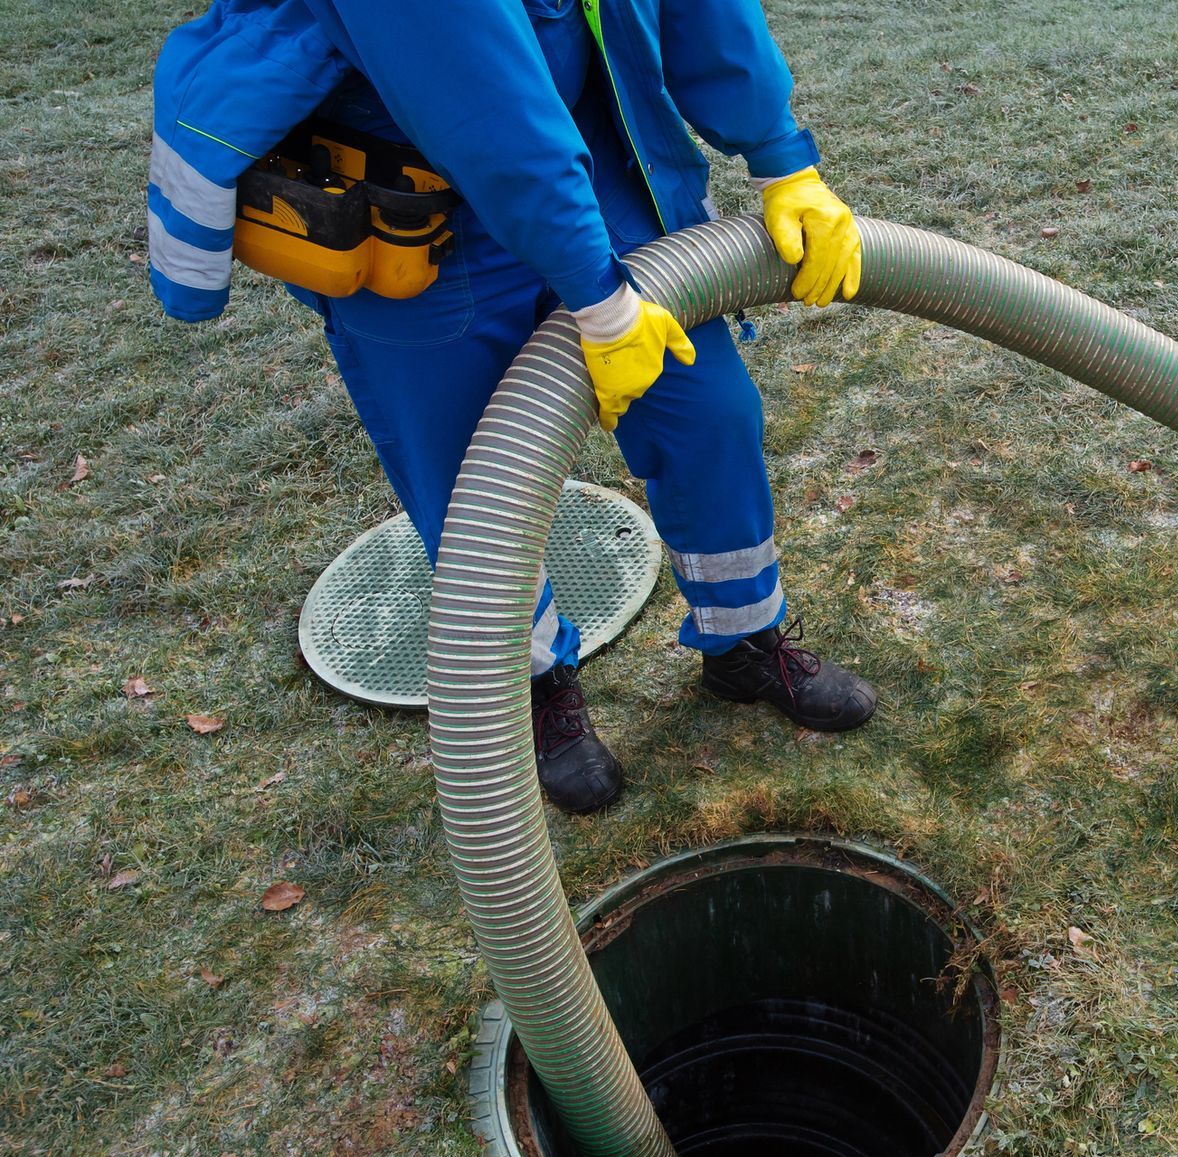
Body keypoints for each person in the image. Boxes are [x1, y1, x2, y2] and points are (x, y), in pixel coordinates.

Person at [145, 0, 877, 815]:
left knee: (708, 410)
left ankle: (743, 639)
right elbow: (474, 89)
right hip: (406, 190)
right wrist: (597, 300)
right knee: (470, 483)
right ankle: (539, 686)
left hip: (588, 156)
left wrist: (781, 157)